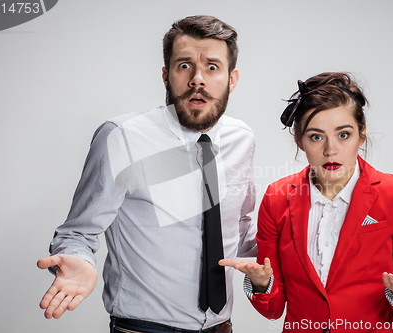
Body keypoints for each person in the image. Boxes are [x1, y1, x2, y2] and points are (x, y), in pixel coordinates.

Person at [37, 15, 257, 333]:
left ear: (231, 78)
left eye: (212, 67)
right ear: (166, 75)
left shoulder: (243, 138)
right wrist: (78, 260)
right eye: (184, 65)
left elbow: (242, 227)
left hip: (222, 326)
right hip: (144, 328)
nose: (198, 79)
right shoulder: (122, 137)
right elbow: (77, 233)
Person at [220, 72, 393, 332]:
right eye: (316, 136)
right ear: (299, 140)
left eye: (343, 135)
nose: (330, 150)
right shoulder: (276, 198)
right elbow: (273, 309)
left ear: (361, 134)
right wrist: (261, 283)